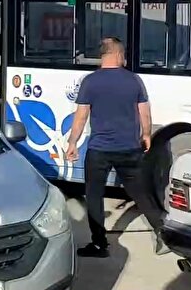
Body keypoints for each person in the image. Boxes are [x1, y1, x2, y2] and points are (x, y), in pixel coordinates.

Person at [66, 37, 164, 259]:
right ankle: (162, 232)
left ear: (103, 55)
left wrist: (72, 143)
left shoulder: (90, 81)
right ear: (119, 55)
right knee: (141, 193)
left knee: (94, 196)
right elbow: (144, 113)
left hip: (99, 150)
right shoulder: (134, 80)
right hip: (129, 148)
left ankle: (99, 244)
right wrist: (146, 135)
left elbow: (81, 117)